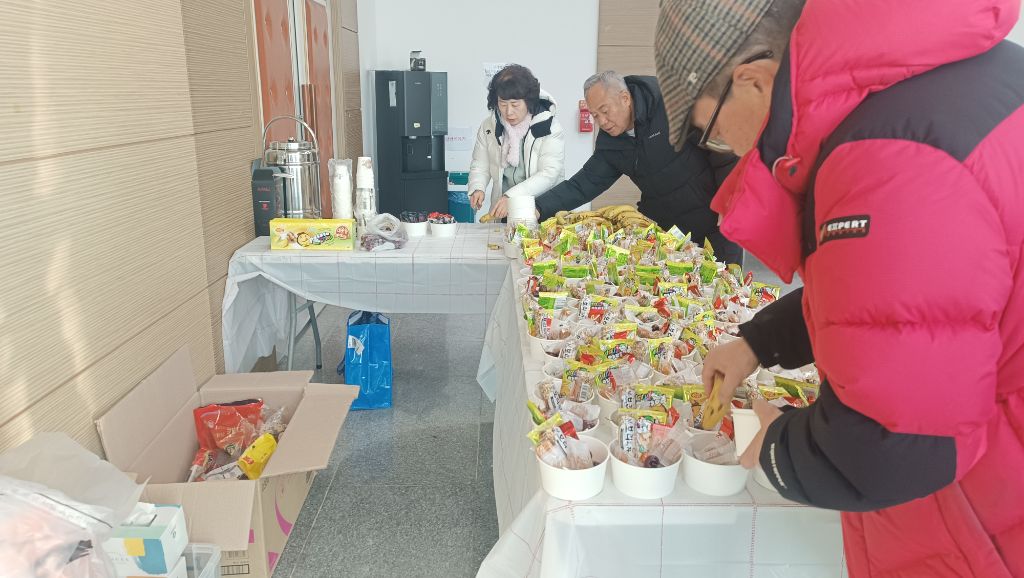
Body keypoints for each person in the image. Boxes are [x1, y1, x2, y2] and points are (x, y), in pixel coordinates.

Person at [655, 0, 1024, 575]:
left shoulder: (887, 157)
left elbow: (894, 445)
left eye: (714, 130)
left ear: (753, 81)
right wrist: (758, 341)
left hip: (986, 521)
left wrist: (775, 445)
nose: (729, 150)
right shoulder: (956, 81)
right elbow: (910, 301)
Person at [533, 71, 742, 264]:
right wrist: (538, 207)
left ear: (625, 98)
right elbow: (584, 183)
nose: (602, 122)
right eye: (595, 115)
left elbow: (724, 150)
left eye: (605, 111)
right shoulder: (612, 142)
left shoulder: (672, 102)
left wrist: (730, 201)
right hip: (664, 232)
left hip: (714, 222)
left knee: (727, 286)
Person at [468, 64, 565, 221]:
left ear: (529, 101)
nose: (509, 112)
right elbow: (480, 163)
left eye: (515, 104)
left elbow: (549, 173)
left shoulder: (549, 127)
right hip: (504, 211)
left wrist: (511, 196)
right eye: (503, 104)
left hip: (540, 209)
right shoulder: (489, 126)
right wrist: (477, 187)